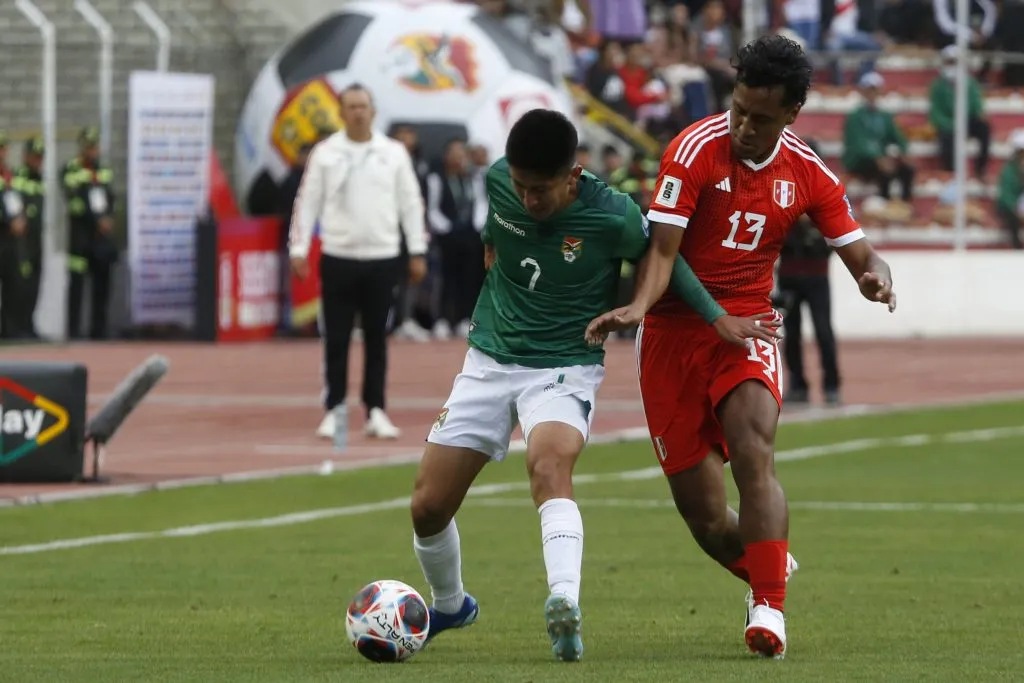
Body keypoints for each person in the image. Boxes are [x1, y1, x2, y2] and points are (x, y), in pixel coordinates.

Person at [408, 109, 780, 662]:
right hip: (489, 360)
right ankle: (452, 603)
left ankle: (564, 604)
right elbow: (497, 229)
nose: (530, 200)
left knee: (548, 466)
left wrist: (713, 316)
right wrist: (492, 241)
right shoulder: (498, 182)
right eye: (522, 188)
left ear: (573, 177)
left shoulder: (615, 216)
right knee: (428, 507)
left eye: (543, 191)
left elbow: (665, 258)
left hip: (563, 364)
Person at [587, 35, 897, 660]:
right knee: (704, 518)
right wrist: (638, 310)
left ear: (792, 114)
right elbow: (663, 251)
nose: (745, 126)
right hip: (674, 337)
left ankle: (769, 611)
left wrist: (875, 276)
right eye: (739, 108)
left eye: (761, 117)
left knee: (756, 453)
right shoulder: (692, 149)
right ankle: (768, 563)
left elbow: (862, 252)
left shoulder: (807, 171)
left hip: (750, 327)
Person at [288, 84, 428, 445]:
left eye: (364, 106)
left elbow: (410, 202)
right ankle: (334, 408)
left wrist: (416, 249)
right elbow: (308, 201)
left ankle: (376, 410)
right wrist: (299, 247)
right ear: (341, 111)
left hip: (382, 257)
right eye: (351, 107)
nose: (358, 113)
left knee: (377, 337)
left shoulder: (393, 153)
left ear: (373, 110)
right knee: (335, 337)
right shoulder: (326, 153)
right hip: (339, 255)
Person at [777, 215, 841, 404]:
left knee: (823, 331)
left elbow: (832, 244)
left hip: (817, 278)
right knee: (791, 333)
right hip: (789, 279)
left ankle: (831, 385)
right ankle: (797, 385)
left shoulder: (821, 216)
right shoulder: (787, 215)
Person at [64, 126, 117, 340]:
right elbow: (75, 201)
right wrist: (97, 220)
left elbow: (110, 197)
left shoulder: (103, 170)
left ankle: (99, 331)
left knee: (102, 286)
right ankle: (74, 332)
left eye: (95, 147)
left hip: (101, 239)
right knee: (76, 287)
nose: (93, 151)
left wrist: (108, 218)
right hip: (81, 237)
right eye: (89, 147)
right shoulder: (71, 170)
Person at [842, 72, 915, 206]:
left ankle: (905, 203)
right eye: (869, 90)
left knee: (907, 169)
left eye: (875, 90)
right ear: (863, 92)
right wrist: (877, 157)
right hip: (860, 160)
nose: (872, 94)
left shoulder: (885, 116)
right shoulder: (855, 116)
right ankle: (884, 201)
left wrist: (903, 152)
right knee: (884, 169)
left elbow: (897, 137)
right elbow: (858, 144)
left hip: (880, 158)